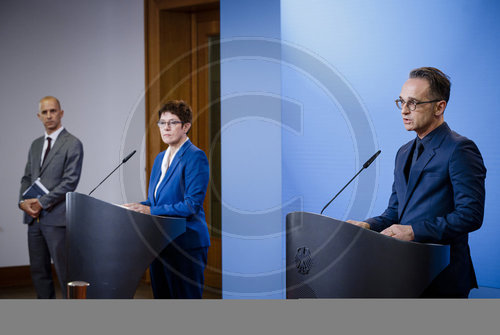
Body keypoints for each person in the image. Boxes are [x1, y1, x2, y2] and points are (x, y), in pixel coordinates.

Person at [347, 67, 486, 298]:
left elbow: (470, 215)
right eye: (401, 101)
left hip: (442, 275)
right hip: (403, 272)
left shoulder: (460, 149)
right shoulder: (403, 152)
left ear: (439, 107)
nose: (403, 110)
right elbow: (394, 213)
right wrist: (368, 226)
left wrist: (414, 231)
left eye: (413, 103)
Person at [125, 100, 210, 299]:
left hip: (186, 245)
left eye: (172, 122)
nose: (166, 128)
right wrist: (135, 207)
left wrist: (149, 211)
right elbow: (155, 202)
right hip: (160, 243)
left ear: (186, 126)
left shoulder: (195, 157)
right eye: (162, 123)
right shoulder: (159, 158)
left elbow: (191, 205)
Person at [19, 96, 84, 298]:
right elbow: (27, 177)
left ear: (61, 113)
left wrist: (41, 202)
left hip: (56, 219)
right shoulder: (35, 144)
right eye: (45, 112)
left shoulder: (73, 143)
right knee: (39, 272)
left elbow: (69, 182)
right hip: (33, 219)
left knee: (66, 273)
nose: (49, 116)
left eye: (53, 111)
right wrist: (23, 202)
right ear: (39, 116)